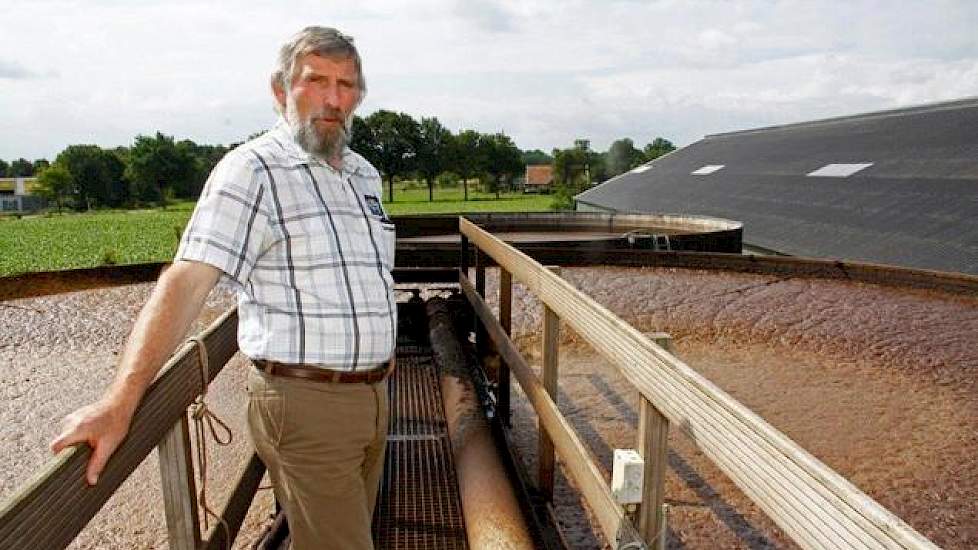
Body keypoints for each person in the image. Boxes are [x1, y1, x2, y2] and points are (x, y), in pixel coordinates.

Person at [51, 26, 396, 550]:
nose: (333, 98)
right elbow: (187, 281)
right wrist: (120, 401)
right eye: (316, 81)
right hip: (307, 402)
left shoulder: (363, 175)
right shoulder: (253, 170)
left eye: (346, 84)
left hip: (374, 396)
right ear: (280, 90)